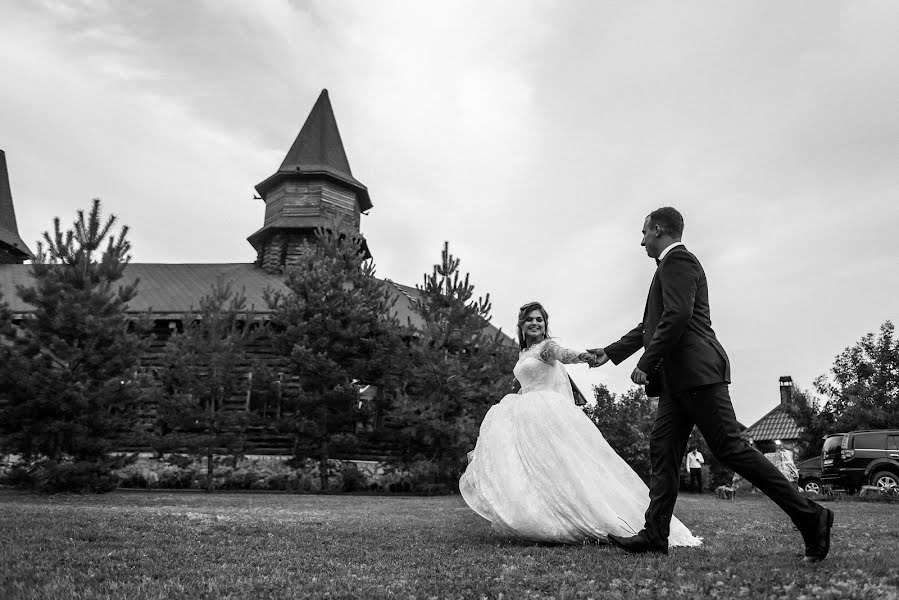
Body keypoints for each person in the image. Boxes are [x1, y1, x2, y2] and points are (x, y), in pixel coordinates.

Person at [588, 207, 833, 561]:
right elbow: (650, 327)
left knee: (731, 449)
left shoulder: (679, 262)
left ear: (658, 230)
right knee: (663, 454)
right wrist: (610, 353)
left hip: (699, 373)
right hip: (675, 383)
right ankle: (655, 535)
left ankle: (812, 516)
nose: (641, 241)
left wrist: (646, 362)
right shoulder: (665, 270)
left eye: (644, 234)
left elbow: (678, 317)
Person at [459, 301, 701, 547]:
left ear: (545, 326)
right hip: (524, 413)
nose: (534, 323)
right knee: (537, 470)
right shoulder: (523, 354)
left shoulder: (547, 347)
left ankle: (602, 518)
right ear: (521, 326)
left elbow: (564, 354)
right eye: (529, 319)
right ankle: (545, 517)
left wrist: (586, 357)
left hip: (545, 413)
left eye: (539, 320)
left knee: (565, 467)